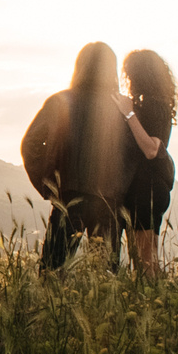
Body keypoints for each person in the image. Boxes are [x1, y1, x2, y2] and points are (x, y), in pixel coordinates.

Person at [21, 42, 130, 270]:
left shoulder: (60, 102)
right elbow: (132, 156)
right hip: (108, 202)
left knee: (52, 271)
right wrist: (122, 189)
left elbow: (30, 145)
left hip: (68, 198)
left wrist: (48, 185)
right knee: (105, 277)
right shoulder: (121, 107)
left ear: (79, 66)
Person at [117, 49, 178, 279]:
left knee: (144, 263)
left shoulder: (154, 107)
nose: (128, 79)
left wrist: (128, 114)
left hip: (146, 190)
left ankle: (151, 298)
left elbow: (152, 149)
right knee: (149, 261)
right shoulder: (157, 105)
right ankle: (159, 297)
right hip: (151, 188)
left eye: (129, 74)